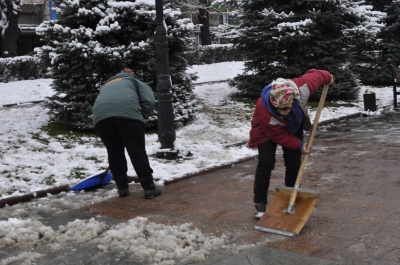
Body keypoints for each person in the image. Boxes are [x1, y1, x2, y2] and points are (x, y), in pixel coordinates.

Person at [248, 69, 334, 218]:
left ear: (293, 100)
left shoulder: (302, 89)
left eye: (286, 108)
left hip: (294, 126)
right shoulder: (264, 108)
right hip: (266, 130)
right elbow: (277, 135)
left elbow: (317, 75)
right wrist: (300, 145)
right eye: (279, 109)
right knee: (266, 163)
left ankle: (291, 197)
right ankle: (260, 203)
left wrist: (328, 77)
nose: (282, 112)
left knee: (294, 162)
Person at [92, 68, 161, 199]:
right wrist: (141, 116)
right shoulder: (134, 81)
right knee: (136, 151)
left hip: (101, 119)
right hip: (129, 117)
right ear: (132, 74)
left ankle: (122, 189)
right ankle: (149, 188)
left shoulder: (108, 84)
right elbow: (149, 101)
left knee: (114, 152)